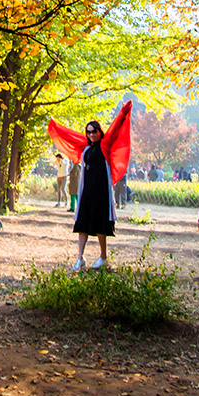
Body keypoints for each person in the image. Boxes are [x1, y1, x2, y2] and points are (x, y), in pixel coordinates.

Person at [48, 101, 132, 270]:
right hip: (87, 190)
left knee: (100, 224)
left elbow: (115, 129)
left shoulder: (105, 145)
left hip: (101, 190)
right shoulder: (86, 147)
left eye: (94, 131)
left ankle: (103, 257)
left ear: (100, 132)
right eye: (89, 132)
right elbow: (70, 136)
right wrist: (55, 127)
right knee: (82, 223)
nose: (91, 134)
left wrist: (124, 112)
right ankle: (80, 258)